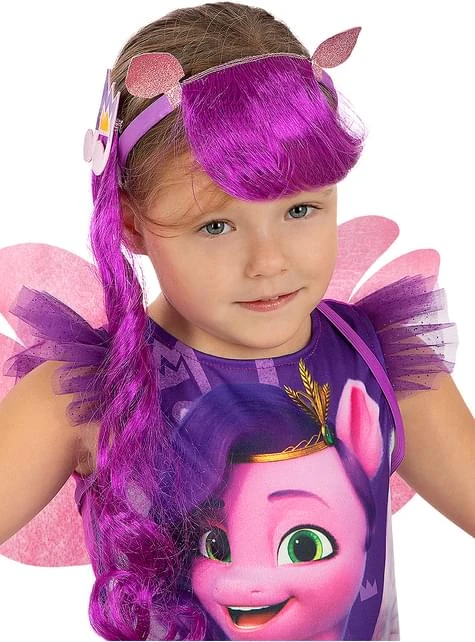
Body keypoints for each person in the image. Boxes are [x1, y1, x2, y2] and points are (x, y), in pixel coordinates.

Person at [0, 2, 473, 640]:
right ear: (132, 224)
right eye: (216, 225)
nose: (268, 261)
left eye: (301, 210)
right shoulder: (84, 396)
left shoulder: (380, 362)